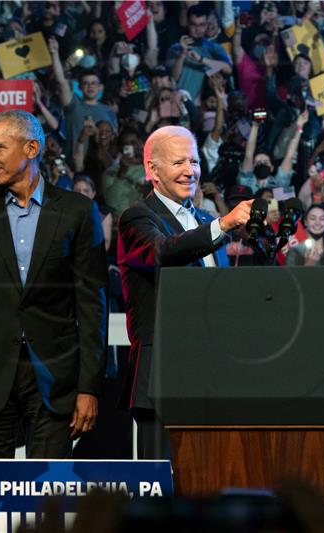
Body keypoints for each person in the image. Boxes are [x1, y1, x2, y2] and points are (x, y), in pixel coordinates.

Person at [0, 110, 108, 459]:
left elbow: (92, 306)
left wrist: (89, 387)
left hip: (57, 380)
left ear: (30, 149)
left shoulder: (78, 211)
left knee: (46, 501)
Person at [116, 125, 252, 459]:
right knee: (162, 491)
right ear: (153, 170)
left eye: (194, 161)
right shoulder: (137, 218)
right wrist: (223, 225)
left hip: (212, 376)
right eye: (179, 162)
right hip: (163, 376)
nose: (189, 170)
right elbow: (162, 253)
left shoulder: (204, 218)